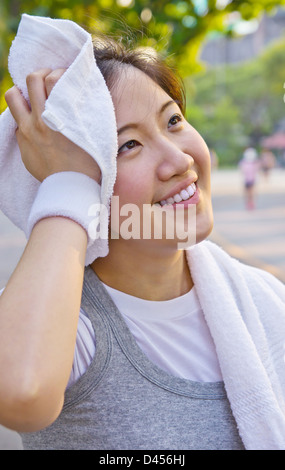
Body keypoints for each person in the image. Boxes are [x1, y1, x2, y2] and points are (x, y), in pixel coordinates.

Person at [0, 31, 285, 451]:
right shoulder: (66, 327)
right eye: (127, 145)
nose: (180, 161)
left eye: (173, 120)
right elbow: (20, 393)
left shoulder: (263, 299)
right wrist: (64, 182)